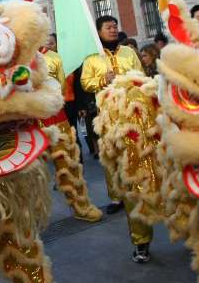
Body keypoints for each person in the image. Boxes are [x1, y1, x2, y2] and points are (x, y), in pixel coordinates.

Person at [81, 15, 150, 263]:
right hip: (108, 121)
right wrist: (103, 80)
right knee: (114, 167)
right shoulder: (92, 58)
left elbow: (142, 78)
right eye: (108, 27)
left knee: (138, 177)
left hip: (135, 120)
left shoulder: (129, 53)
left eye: (115, 26)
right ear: (98, 31)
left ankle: (143, 234)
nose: (113, 29)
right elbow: (85, 83)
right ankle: (116, 196)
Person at [39, 33, 102, 222]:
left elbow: (62, 87)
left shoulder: (55, 57)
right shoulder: (15, 60)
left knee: (68, 162)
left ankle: (80, 205)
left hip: (55, 116)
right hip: (27, 121)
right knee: (31, 174)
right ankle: (31, 217)